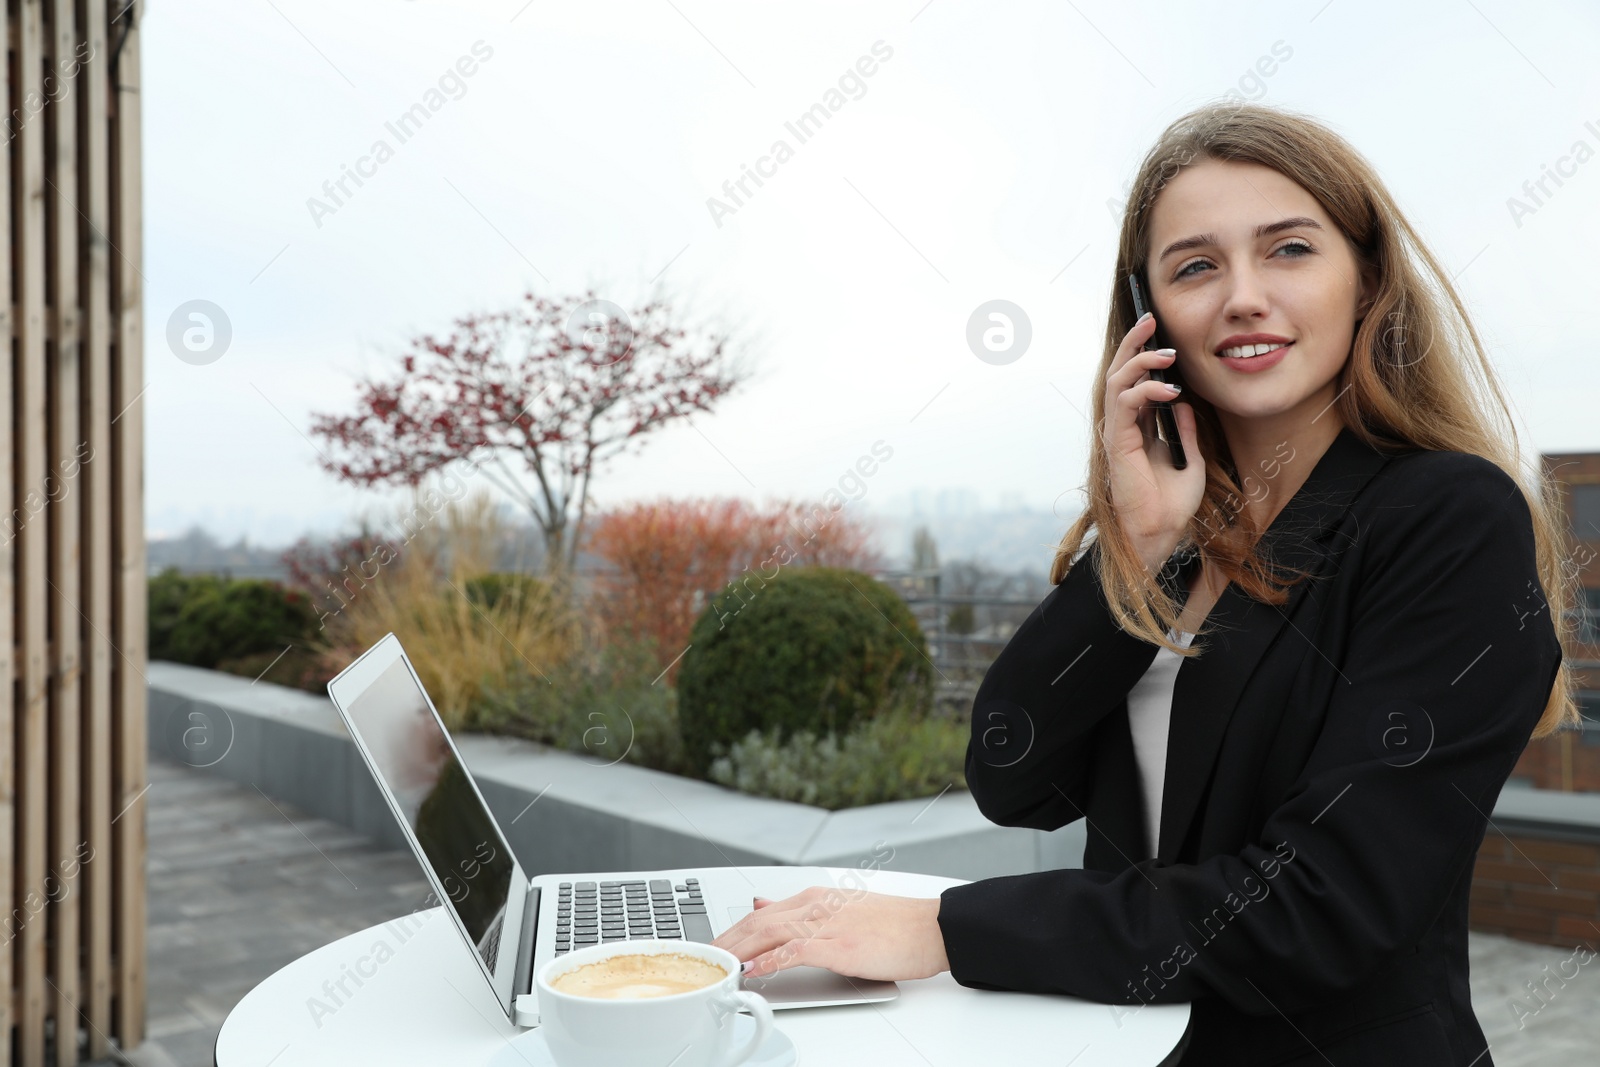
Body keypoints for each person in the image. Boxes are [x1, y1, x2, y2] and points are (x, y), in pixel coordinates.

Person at [709, 101, 1576, 1065]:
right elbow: (1013, 773)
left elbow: (1324, 907)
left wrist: (944, 929)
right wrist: (1139, 545)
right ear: (1149, 312)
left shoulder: (1447, 517)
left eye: (1289, 249)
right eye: (1196, 265)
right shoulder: (1177, 529)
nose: (1242, 296)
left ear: (1367, 277)